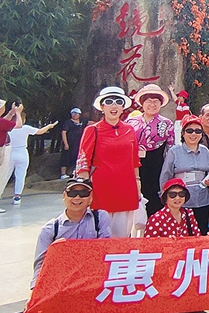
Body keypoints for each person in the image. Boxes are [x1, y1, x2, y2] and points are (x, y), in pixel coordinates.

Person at [31, 177, 134, 313]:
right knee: (61, 298)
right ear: (64, 196)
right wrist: (36, 290)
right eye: (72, 193)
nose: (77, 198)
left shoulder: (100, 218)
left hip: (94, 275)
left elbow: (105, 249)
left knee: (119, 284)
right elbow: (40, 262)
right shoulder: (51, 229)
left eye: (83, 193)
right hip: (66, 281)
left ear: (90, 197)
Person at [75, 87, 140, 236]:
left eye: (119, 102)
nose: (114, 106)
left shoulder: (130, 130)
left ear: (123, 107)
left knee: (122, 237)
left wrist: (138, 183)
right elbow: (83, 162)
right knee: (100, 237)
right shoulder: (92, 130)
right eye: (109, 102)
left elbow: (134, 160)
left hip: (126, 190)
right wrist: (85, 190)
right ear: (102, 107)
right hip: (100, 191)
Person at [159, 114, 209, 234]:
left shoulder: (205, 151)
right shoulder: (174, 151)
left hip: (203, 199)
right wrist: (165, 197)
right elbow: (165, 175)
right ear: (183, 133)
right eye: (189, 131)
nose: (193, 134)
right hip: (181, 201)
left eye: (197, 131)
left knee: (201, 233)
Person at [126, 83, 175, 217]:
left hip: (156, 165)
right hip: (133, 165)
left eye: (156, 101)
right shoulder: (130, 122)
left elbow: (170, 149)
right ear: (142, 103)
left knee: (154, 200)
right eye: (149, 101)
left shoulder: (167, 123)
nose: (152, 104)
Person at [6, 115, 58, 205]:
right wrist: (49, 126)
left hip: (10, 152)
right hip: (22, 152)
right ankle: (17, 196)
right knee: (20, 175)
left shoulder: (7, 129)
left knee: (5, 175)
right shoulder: (25, 128)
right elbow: (40, 131)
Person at [59, 108, 84, 179]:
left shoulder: (82, 122)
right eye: (73, 113)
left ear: (80, 115)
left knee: (76, 158)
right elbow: (64, 132)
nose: (75, 115)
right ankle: (63, 174)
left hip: (78, 144)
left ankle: (74, 173)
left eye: (76, 113)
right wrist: (66, 143)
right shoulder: (68, 123)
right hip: (69, 143)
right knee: (65, 157)